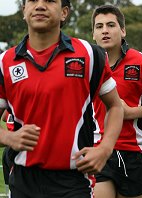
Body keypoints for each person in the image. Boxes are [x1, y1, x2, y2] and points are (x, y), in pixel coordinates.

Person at [0, 0, 124, 197]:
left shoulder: (89, 54)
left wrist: (105, 149)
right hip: (23, 180)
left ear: (64, 12)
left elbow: (116, 107)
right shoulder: (4, 62)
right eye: (32, 0)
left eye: (50, 0)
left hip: (73, 181)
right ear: (24, 11)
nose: (40, 6)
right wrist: (9, 137)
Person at [91, 5, 142, 198]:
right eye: (99, 26)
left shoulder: (141, 62)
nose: (105, 30)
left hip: (135, 152)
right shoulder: (87, 63)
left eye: (111, 25)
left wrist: (130, 113)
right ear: (93, 34)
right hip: (98, 148)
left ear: (123, 30)